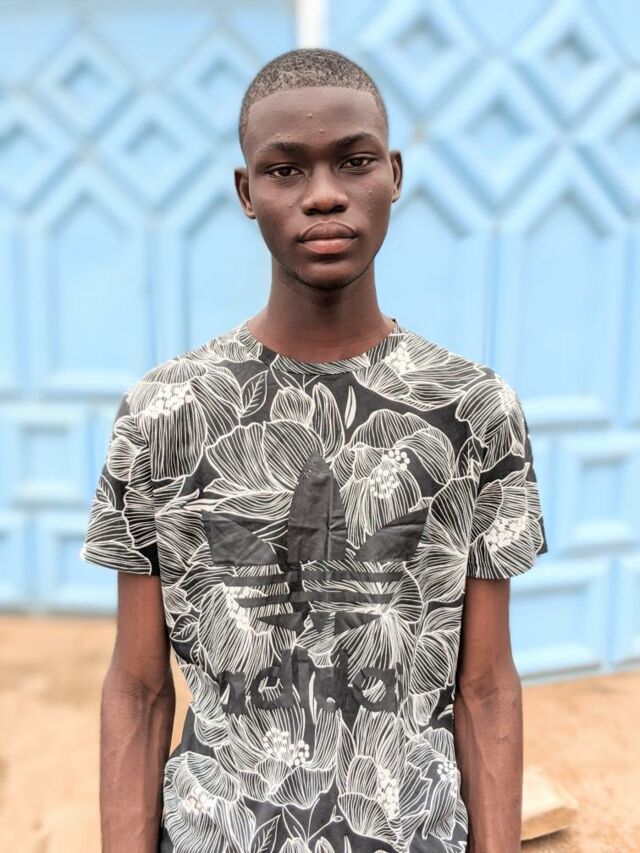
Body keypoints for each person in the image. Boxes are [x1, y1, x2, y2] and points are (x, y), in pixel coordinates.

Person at [80, 47, 548, 853]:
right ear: (246, 192)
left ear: (393, 175)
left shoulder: (472, 409)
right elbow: (139, 687)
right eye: (285, 169)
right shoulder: (164, 412)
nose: (324, 193)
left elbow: (485, 686)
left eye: (354, 161)